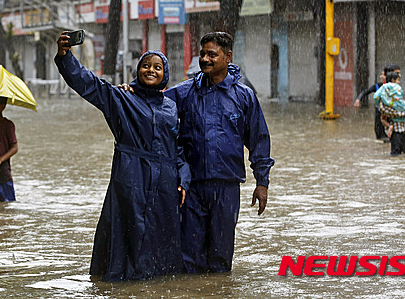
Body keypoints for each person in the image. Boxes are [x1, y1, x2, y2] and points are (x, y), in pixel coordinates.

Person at [54, 33, 190, 281]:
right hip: (131, 175)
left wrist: (183, 179)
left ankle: (156, 283)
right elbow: (90, 85)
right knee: (128, 228)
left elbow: (178, 147)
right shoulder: (122, 98)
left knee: (161, 236)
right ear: (137, 71)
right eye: (146, 66)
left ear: (165, 74)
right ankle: (120, 282)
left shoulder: (170, 106)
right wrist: (65, 58)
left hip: (165, 181)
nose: (151, 70)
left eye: (157, 67)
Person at [165, 32, 274, 273]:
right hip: (190, 188)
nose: (205, 59)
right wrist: (131, 90)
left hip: (226, 188)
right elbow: (152, 104)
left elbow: (259, 140)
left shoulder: (244, 96)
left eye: (212, 54)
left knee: (221, 258)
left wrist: (262, 182)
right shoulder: (185, 92)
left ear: (228, 57)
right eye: (202, 54)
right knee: (188, 258)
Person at [354, 64, 401, 140]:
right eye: (397, 73)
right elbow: (366, 91)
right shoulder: (379, 87)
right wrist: (358, 99)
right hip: (380, 120)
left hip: (391, 121)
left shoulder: (397, 89)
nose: (381, 76)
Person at [375, 72, 405, 155]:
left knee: (401, 156)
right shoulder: (389, 102)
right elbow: (388, 115)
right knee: (402, 156)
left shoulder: (393, 101)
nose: (399, 82)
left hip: (402, 132)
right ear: (393, 80)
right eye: (398, 80)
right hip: (399, 132)